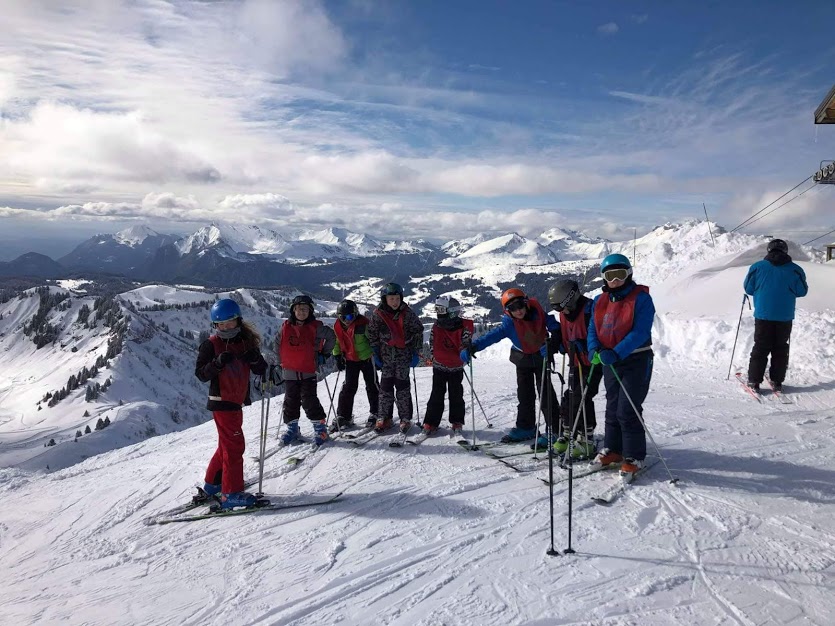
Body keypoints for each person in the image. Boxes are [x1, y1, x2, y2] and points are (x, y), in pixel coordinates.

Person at [195, 298, 268, 509]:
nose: (226, 328)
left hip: (235, 402)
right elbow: (201, 374)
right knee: (234, 446)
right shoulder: (211, 344)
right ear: (215, 325)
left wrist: (255, 359)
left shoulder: (245, 343)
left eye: (230, 323)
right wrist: (217, 363)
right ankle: (231, 493)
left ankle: (212, 484)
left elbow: (260, 370)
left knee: (226, 446)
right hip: (221, 402)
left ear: (238, 321)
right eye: (221, 324)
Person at [461, 287, 560, 443]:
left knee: (546, 394)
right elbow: (493, 336)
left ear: (526, 303)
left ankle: (555, 430)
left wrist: (554, 341)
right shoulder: (509, 324)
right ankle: (526, 427)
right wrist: (474, 346)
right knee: (525, 395)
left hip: (542, 356)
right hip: (522, 359)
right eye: (512, 308)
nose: (518, 310)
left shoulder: (538, 312)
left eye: (520, 305)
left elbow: (553, 324)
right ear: (507, 311)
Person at [587, 253, 655, 475]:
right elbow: (592, 329)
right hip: (610, 360)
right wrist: (593, 349)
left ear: (629, 274)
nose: (615, 280)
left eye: (620, 274)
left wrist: (616, 353)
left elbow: (640, 332)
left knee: (628, 409)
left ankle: (634, 455)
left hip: (636, 359)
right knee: (612, 407)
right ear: (603, 278)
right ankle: (613, 449)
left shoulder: (642, 299)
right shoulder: (599, 300)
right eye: (610, 275)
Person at [548, 279, 603, 459]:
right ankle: (568, 433)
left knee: (582, 397)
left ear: (571, 299)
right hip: (575, 363)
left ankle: (587, 440)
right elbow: (567, 332)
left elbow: (599, 334)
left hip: (593, 363)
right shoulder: (566, 314)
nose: (559, 312)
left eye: (560, 307)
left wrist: (585, 346)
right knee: (569, 396)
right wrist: (563, 345)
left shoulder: (590, 310)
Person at [743, 238, 808, 392]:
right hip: (784, 316)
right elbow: (802, 291)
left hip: (763, 315)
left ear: (769, 250)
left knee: (761, 347)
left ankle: (754, 381)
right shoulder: (795, 269)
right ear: (785, 251)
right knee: (780, 348)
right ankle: (777, 381)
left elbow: (749, 288)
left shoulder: (757, 267)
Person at [274, 295, 336, 446]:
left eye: (305, 309)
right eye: (299, 309)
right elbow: (277, 344)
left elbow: (331, 337)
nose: (302, 312)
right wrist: (278, 363)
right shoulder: (285, 327)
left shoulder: (316, 327)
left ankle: (320, 428)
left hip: (307, 370)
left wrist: (324, 354)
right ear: (293, 310)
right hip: (289, 371)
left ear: (310, 311)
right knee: (290, 401)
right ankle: (292, 428)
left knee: (309, 400)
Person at [366, 282, 424, 433]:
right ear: (385, 299)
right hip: (386, 357)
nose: (395, 302)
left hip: (403, 356)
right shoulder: (378, 314)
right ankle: (384, 417)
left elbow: (418, 331)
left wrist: (416, 352)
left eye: (397, 298)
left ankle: (405, 418)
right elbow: (371, 334)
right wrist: (375, 352)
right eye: (391, 298)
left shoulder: (408, 313)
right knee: (385, 388)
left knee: (402, 387)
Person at [422, 296, 473, 435]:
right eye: (437, 309)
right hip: (439, 367)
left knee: (456, 394)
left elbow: (465, 342)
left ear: (451, 311)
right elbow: (432, 343)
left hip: (455, 367)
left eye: (441, 309)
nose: (438, 313)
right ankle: (431, 422)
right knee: (436, 394)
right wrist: (435, 356)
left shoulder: (463, 327)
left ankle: (457, 421)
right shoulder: (437, 326)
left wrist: (466, 350)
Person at [331, 299, 379, 432]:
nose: (347, 320)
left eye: (350, 316)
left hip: (367, 358)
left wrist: (378, 356)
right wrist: (337, 355)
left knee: (372, 384)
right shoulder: (337, 327)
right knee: (349, 386)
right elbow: (336, 342)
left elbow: (374, 340)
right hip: (351, 359)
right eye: (343, 317)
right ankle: (344, 415)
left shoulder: (363, 325)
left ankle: (377, 412)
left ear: (356, 314)